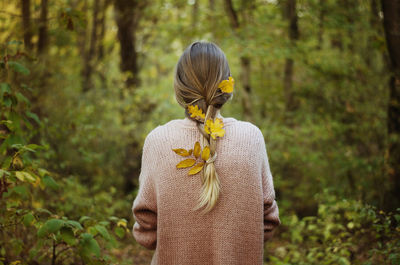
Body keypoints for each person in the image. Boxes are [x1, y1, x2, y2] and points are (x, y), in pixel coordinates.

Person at [131, 41, 281, 265]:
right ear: (226, 86)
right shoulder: (251, 138)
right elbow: (268, 221)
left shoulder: (158, 142)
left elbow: (146, 228)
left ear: (179, 89)